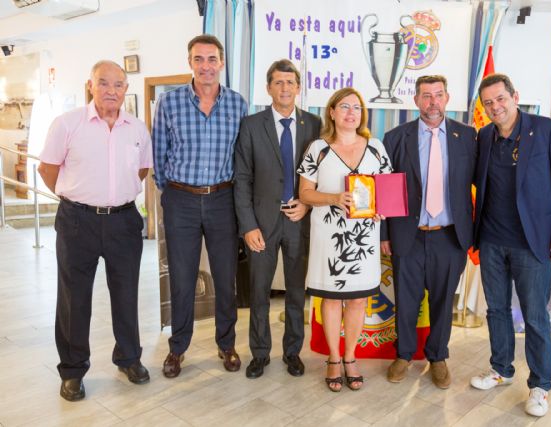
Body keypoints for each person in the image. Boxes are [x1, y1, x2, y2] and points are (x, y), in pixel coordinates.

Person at [38, 60, 153, 401]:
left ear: (126, 89)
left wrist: (113, 196)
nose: (110, 90)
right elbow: (47, 169)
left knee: (126, 293)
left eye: (118, 84)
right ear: (91, 86)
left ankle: (129, 358)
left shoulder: (137, 129)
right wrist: (76, 197)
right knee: (74, 298)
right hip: (78, 221)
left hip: (123, 221)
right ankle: (73, 371)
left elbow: (142, 171)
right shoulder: (67, 124)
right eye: (103, 83)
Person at [469, 73, 551, 417]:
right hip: (491, 240)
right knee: (496, 310)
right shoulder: (484, 135)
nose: (495, 107)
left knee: (534, 316)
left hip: (532, 243)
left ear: (514, 96)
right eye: (488, 103)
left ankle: (540, 385)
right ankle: (501, 369)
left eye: (500, 99)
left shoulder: (547, 130)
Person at [152, 35, 248, 378]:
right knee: (182, 278)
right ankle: (177, 348)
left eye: (211, 59)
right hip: (181, 199)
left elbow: (242, 155)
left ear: (221, 62)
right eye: (198, 59)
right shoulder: (169, 103)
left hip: (223, 199)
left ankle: (227, 344)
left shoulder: (237, 104)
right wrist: (173, 192)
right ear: (190, 62)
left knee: (225, 277)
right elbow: (158, 154)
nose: (205, 66)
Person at [381, 75, 477, 389]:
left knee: (442, 300)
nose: (432, 101)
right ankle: (404, 354)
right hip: (407, 234)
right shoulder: (396, 137)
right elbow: (384, 189)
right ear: (416, 100)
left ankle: (437, 356)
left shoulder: (468, 136)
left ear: (447, 98)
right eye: (426, 95)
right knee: (406, 300)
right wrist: (384, 234)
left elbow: (481, 184)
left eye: (438, 95)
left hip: (450, 235)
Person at [297, 87, 392, 392]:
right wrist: (335, 198)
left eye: (357, 107)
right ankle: (334, 358)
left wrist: (382, 209)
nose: (352, 113)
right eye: (345, 107)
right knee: (331, 298)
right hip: (329, 236)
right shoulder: (318, 148)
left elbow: (387, 193)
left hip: (363, 239)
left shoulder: (376, 148)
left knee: (358, 299)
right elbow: (305, 194)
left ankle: (350, 357)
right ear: (332, 112)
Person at [234, 59, 321, 379]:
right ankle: (259, 353)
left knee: (296, 292)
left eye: (290, 82)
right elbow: (242, 178)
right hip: (261, 223)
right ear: (268, 88)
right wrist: (248, 226)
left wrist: (308, 205)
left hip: (299, 220)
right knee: (259, 291)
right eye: (278, 82)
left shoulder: (314, 124)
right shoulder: (251, 125)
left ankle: (292, 352)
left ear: (298, 88)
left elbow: (322, 174)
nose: (285, 88)